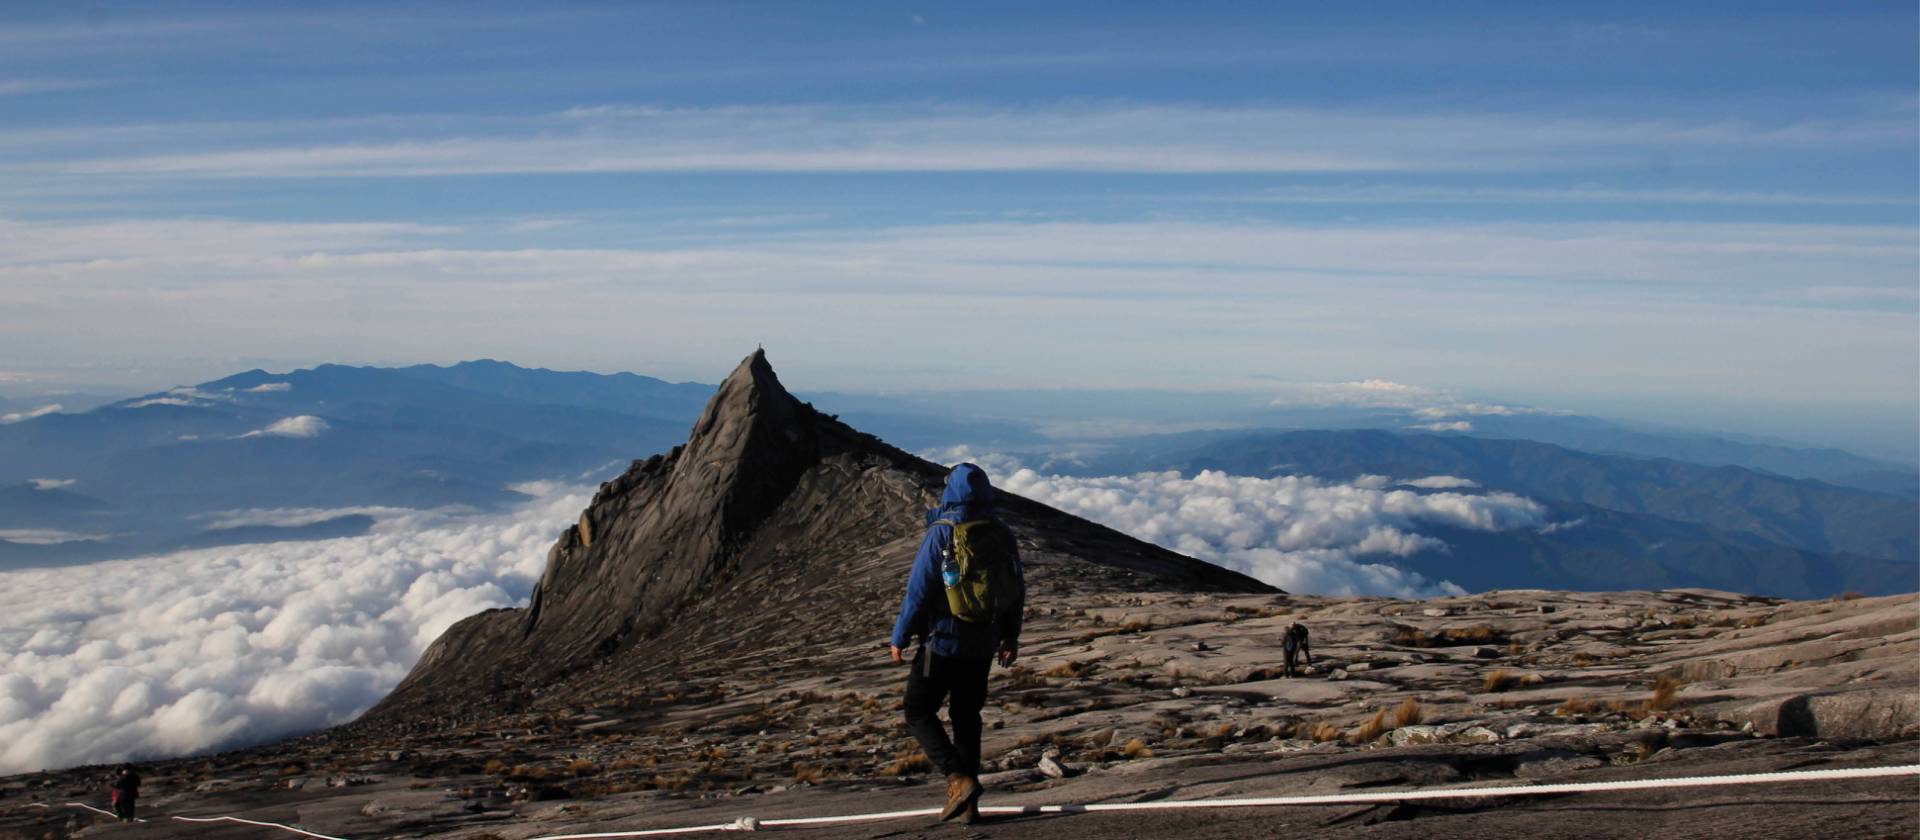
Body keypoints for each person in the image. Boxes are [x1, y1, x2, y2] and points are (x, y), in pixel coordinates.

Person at [889, 463, 1026, 825]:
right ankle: (970, 807)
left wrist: (900, 635)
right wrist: (1011, 635)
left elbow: (918, 591)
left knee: (917, 711)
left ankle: (957, 778)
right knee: (967, 719)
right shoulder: (1001, 533)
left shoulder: (942, 533)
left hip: (943, 643)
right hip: (983, 643)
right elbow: (1016, 589)